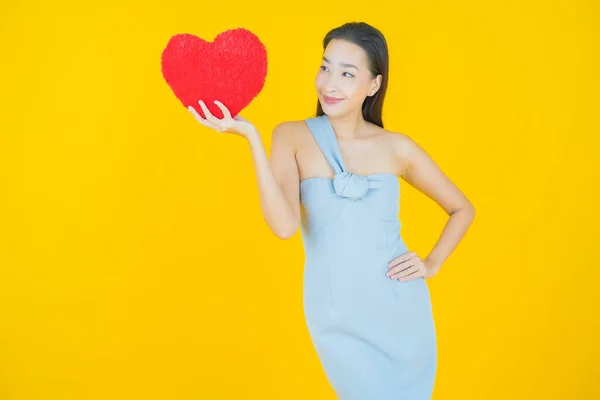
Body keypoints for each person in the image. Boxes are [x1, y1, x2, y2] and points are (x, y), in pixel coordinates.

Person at [188, 21, 475, 400]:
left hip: (401, 311)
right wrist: (252, 139)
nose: (330, 83)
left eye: (346, 73)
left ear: (373, 84)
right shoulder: (290, 136)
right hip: (336, 312)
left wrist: (432, 264)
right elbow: (284, 226)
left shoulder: (397, 147)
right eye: (325, 67)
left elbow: (461, 209)